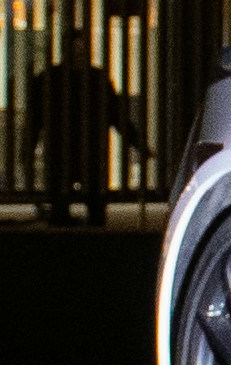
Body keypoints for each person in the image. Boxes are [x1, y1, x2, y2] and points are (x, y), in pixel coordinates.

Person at [22, 23, 146, 224]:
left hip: (65, 151)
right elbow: (116, 116)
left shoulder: (50, 79)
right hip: (87, 151)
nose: (78, 55)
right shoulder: (95, 79)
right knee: (92, 207)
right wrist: (138, 143)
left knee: (65, 209)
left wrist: (26, 150)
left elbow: (35, 120)